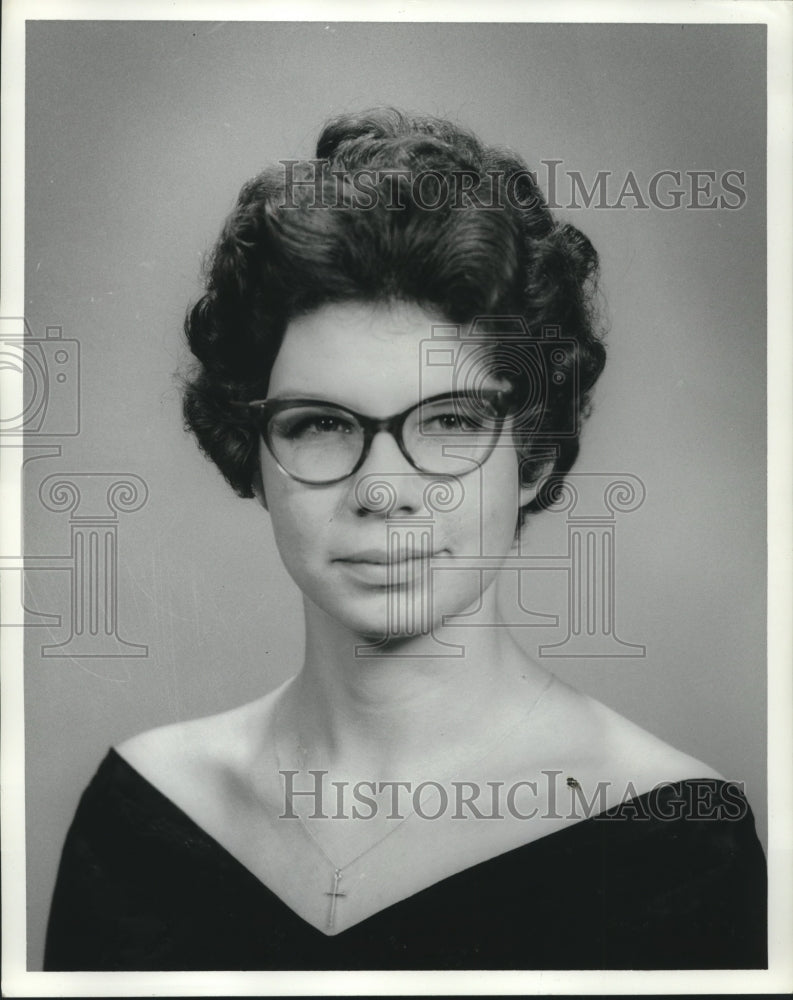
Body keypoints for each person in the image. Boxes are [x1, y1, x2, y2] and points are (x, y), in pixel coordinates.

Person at [44, 108, 766, 971]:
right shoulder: (143, 815)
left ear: (530, 458)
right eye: (319, 424)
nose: (383, 490)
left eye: (451, 420)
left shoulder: (672, 843)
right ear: (253, 458)